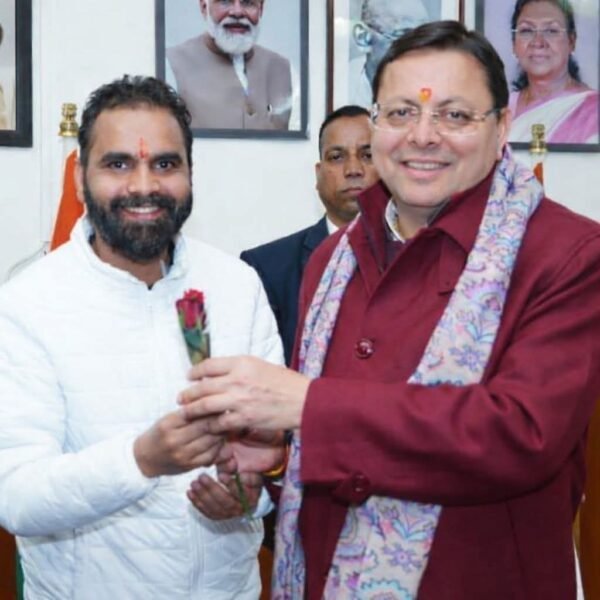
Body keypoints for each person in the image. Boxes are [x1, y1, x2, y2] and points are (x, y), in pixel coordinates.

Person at [181, 20, 600, 599]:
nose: (423, 136)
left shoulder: (566, 253)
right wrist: (275, 463)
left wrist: (310, 408)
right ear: (377, 123)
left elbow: (521, 434)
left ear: (502, 126)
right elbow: (331, 449)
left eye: (455, 115)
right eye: (401, 112)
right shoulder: (332, 259)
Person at [0, 75, 283, 598]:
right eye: (118, 164)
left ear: (191, 173)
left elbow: (272, 454)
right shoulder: (27, 304)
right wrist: (140, 460)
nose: (144, 185)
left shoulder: (236, 286)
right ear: (80, 178)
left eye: (166, 164)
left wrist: (249, 495)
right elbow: (16, 495)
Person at [241, 105, 379, 364]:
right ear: (318, 175)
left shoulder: (418, 256)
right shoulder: (267, 267)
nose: (353, 169)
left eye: (368, 155)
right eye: (337, 157)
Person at [167, 0, 292, 130]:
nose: (237, 12)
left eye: (248, 3)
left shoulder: (283, 69)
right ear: (204, 7)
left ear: (260, 9)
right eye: (225, 2)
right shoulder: (171, 64)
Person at [509, 0, 599, 144]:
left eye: (551, 31)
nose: (538, 42)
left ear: (571, 41)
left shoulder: (593, 110)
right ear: (514, 44)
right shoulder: (502, 108)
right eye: (527, 31)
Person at [349, 0, 430, 107]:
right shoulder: (341, 87)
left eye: (425, 38)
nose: (419, 51)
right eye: (404, 37)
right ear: (363, 38)